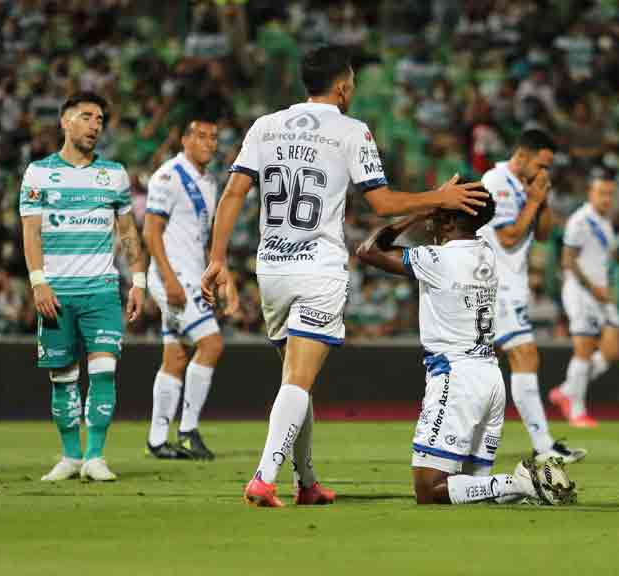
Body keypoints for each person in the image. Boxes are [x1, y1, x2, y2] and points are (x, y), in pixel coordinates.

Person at [201, 45, 487, 507]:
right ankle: (263, 477)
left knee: (297, 378)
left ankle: (308, 481)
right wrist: (439, 197)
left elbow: (234, 192)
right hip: (318, 268)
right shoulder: (351, 131)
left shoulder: (265, 126)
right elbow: (383, 204)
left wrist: (216, 258)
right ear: (342, 87)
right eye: (351, 84)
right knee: (297, 380)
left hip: (271, 269)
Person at [355, 193, 574, 506]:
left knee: (428, 490)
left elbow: (368, 250)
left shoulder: (439, 260)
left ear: (448, 220)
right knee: (474, 491)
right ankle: (523, 488)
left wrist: (419, 209)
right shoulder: (486, 251)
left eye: (439, 213)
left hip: (456, 380)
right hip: (490, 378)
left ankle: (523, 481)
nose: (432, 219)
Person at [20, 92, 146, 483]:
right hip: (56, 291)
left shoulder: (114, 174)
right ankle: (71, 456)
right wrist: (38, 282)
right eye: (87, 117)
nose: (96, 125)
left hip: (101, 290)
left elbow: (127, 232)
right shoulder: (38, 173)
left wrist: (139, 280)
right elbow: (31, 232)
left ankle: (95, 456)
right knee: (63, 377)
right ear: (65, 122)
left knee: (104, 371)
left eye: (100, 118)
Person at [477, 129, 586, 463]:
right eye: (542, 165)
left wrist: (543, 198)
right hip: (494, 281)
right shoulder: (497, 182)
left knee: (495, 361)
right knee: (524, 355)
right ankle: (543, 446)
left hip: (511, 282)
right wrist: (534, 200)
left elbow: (541, 234)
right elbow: (509, 237)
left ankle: (478, 444)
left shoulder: (527, 187)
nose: (544, 173)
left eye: (548, 168)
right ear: (522, 155)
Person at [143, 115, 233, 460]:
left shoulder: (208, 181)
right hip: (173, 276)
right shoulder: (168, 176)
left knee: (176, 356)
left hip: (192, 275)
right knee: (211, 344)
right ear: (185, 140)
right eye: (202, 136)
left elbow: (203, 239)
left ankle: (157, 440)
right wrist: (168, 279)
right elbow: (151, 231)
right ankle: (187, 431)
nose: (210, 143)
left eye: (214, 137)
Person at [551, 174, 619, 427]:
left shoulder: (606, 222)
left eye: (610, 194)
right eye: (602, 193)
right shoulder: (580, 221)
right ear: (590, 193)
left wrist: (605, 288)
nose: (607, 198)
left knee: (612, 350)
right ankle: (576, 411)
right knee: (584, 349)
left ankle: (567, 389)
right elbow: (568, 260)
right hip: (581, 292)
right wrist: (593, 288)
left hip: (601, 293)